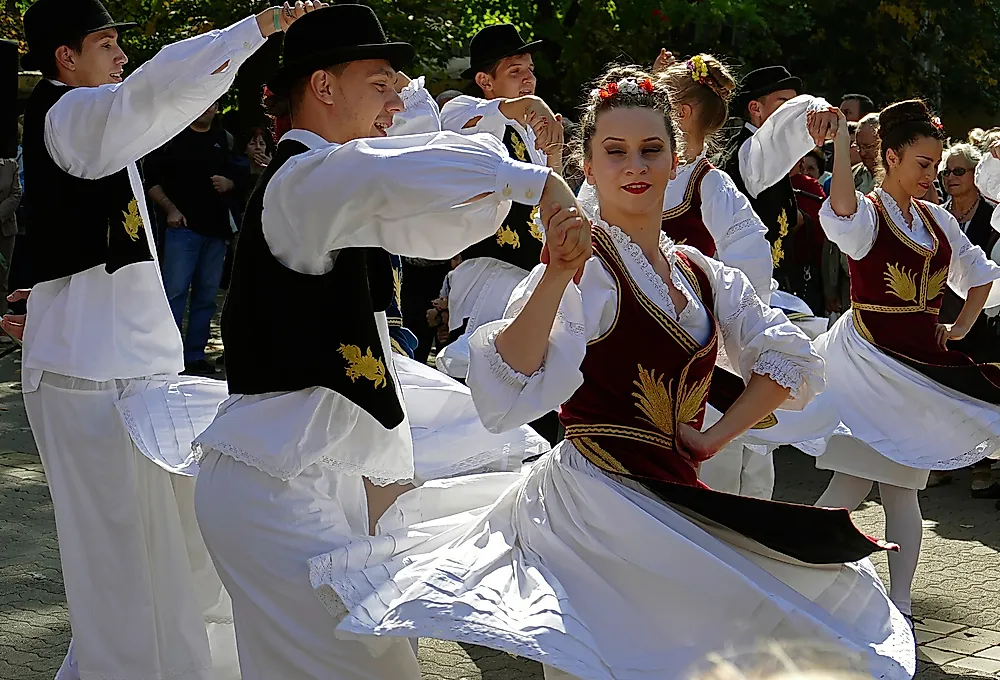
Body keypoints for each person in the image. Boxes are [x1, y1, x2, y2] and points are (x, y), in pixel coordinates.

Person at [309, 65, 915, 680]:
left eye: (651, 150)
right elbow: (507, 380)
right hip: (590, 503)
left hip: (675, 498)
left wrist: (714, 436)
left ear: (676, 160)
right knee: (591, 660)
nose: (635, 166)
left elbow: (787, 359)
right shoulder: (585, 265)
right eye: (615, 152)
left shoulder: (705, 275)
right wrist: (553, 274)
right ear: (589, 167)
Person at [189, 6, 575, 677]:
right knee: (374, 666)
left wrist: (514, 154)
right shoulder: (305, 181)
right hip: (271, 488)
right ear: (323, 86)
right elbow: (392, 171)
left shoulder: (338, 192)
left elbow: (434, 219)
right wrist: (534, 181)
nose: (396, 102)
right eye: (381, 85)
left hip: (308, 483)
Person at [2, 0, 315, 678]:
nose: (122, 57)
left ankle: (159, 664)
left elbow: (58, 210)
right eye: (106, 43)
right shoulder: (71, 113)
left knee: (158, 544)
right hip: (89, 377)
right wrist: (255, 29)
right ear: (65, 57)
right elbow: (155, 91)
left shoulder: (89, 120)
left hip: (125, 368)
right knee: (117, 553)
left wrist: (35, 287)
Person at [812, 100, 1000, 625]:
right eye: (922, 163)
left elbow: (980, 275)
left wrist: (958, 329)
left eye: (936, 165)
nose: (931, 175)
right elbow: (840, 212)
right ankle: (818, 589)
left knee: (890, 491)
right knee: (860, 489)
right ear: (890, 156)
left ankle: (879, 601)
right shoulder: (868, 214)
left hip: (917, 374)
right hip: (868, 369)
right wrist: (843, 141)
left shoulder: (936, 219)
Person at [435, 22, 565, 442]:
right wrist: (526, 106)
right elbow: (458, 124)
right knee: (477, 384)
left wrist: (555, 153)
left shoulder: (530, 134)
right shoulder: (465, 113)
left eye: (530, 71)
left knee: (526, 393)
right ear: (485, 81)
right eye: (515, 71)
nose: (528, 79)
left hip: (532, 278)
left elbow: (551, 204)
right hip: (488, 272)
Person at [722, 65, 839, 326]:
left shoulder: (771, 155)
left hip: (779, 289)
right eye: (784, 103)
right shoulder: (751, 150)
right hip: (750, 296)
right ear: (755, 108)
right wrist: (814, 107)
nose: (792, 112)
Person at [147, 99, 248, 375]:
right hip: (181, 230)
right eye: (205, 102)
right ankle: (165, 356)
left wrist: (230, 182)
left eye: (214, 103)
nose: (208, 108)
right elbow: (151, 180)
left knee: (206, 297)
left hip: (216, 232)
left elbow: (244, 175)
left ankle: (195, 356)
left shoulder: (225, 140)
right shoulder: (171, 137)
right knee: (174, 294)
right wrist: (170, 209)